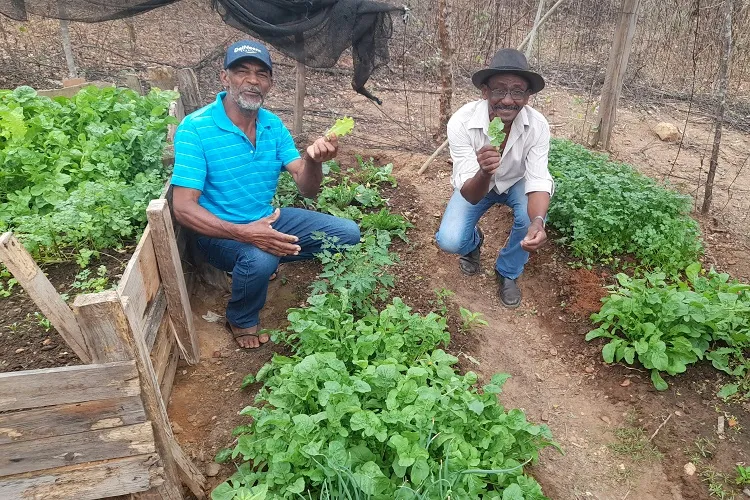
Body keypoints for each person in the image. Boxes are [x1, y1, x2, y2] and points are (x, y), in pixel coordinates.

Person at [170, 40, 360, 348]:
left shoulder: (272, 125)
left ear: (269, 82)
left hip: (266, 220)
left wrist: (313, 160)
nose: (252, 80)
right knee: (259, 259)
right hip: (217, 234)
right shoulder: (196, 128)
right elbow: (183, 208)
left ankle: (262, 260)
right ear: (225, 78)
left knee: (347, 233)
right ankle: (241, 317)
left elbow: (307, 188)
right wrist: (246, 234)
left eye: (261, 73)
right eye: (242, 71)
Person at [435, 48, 553, 308]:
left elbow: (538, 179)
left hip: (515, 182)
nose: (508, 100)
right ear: (485, 91)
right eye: (499, 90)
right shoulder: (462, 123)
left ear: (528, 96)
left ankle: (508, 271)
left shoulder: (538, 126)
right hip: (476, 185)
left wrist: (538, 221)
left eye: (518, 91)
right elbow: (469, 192)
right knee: (450, 240)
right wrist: (485, 171)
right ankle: (473, 242)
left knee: (528, 218)